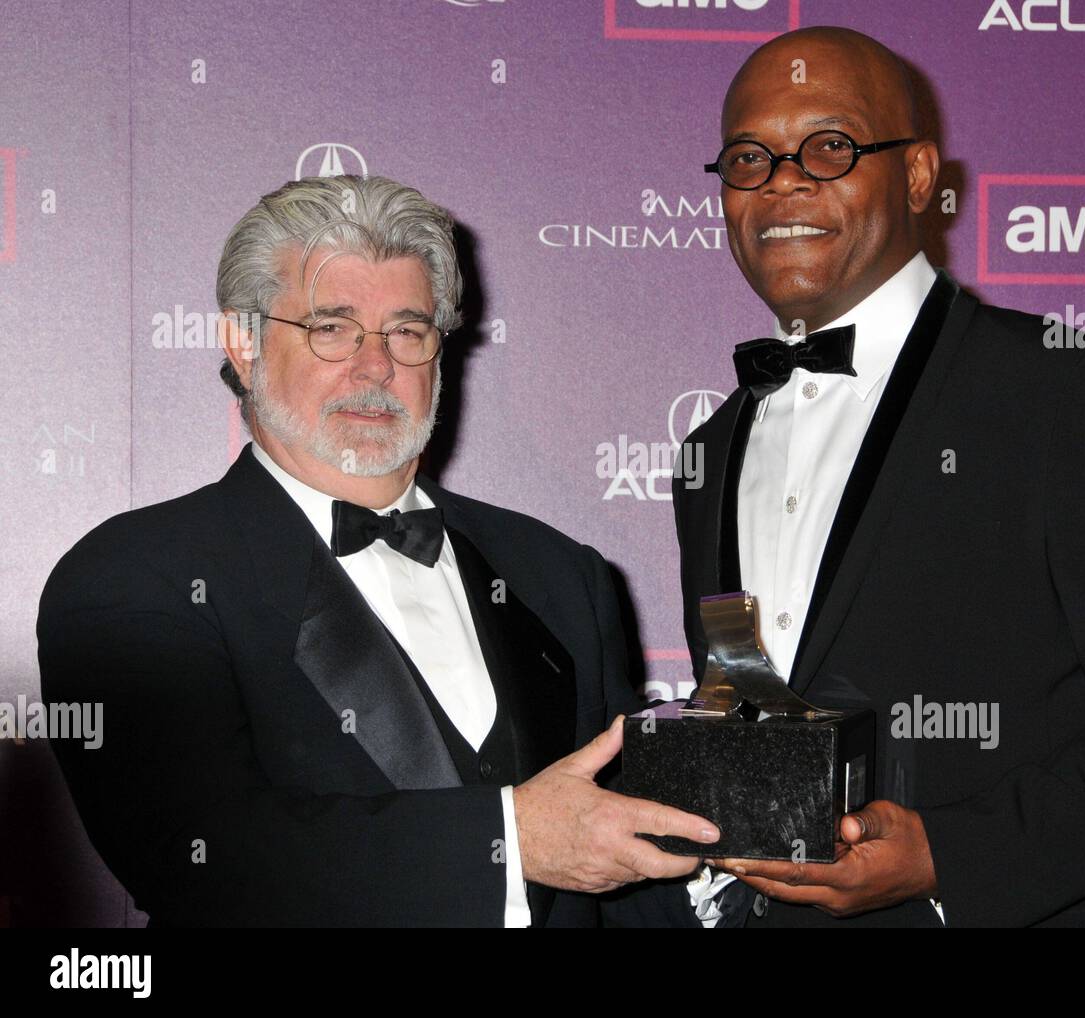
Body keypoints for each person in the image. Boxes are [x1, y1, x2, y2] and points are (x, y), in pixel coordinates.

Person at [669, 27, 1085, 927]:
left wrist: (949, 855)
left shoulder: (1074, 394)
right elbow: (752, 699)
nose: (782, 181)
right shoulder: (708, 450)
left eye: (829, 147)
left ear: (917, 177)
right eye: (749, 158)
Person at [37, 174, 717, 927]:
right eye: (331, 327)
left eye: (407, 331)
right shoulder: (132, 580)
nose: (375, 366)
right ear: (245, 342)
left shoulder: (557, 572)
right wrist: (508, 843)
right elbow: (202, 856)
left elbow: (634, 876)